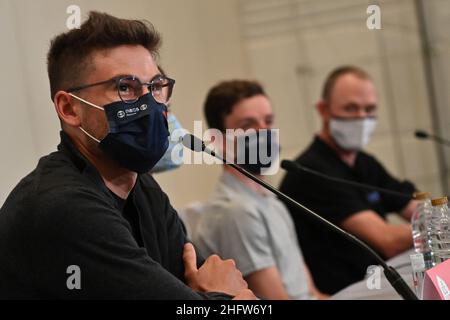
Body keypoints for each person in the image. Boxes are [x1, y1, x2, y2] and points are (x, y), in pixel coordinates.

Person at [0, 11, 255, 300]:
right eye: (125, 88)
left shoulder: (143, 188)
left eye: (156, 87)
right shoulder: (61, 206)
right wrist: (230, 296)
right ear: (70, 109)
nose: (149, 103)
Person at [279, 66, 417, 294]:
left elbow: (418, 209)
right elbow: (388, 241)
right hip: (346, 293)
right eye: (351, 108)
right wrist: (435, 226)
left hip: (380, 285)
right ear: (323, 110)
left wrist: (437, 218)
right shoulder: (310, 171)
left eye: (369, 109)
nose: (362, 117)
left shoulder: (365, 162)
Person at [192, 80, 327, 300]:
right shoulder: (235, 211)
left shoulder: (272, 201)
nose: (264, 133)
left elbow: (312, 293)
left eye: (268, 121)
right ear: (219, 142)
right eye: (248, 126)